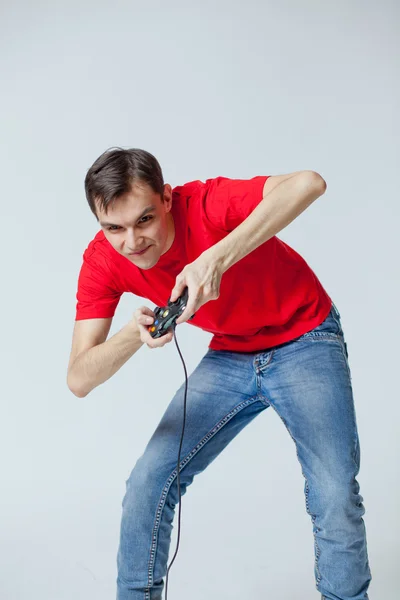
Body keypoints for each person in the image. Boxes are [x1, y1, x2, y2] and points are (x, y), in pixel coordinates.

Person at [67, 147, 372, 600]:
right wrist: (135, 334)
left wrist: (216, 258)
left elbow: (309, 183)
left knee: (333, 493)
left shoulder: (206, 203)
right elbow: (79, 378)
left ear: (167, 199)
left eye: (145, 220)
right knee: (148, 483)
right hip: (232, 352)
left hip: (305, 336)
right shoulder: (102, 261)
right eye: (114, 228)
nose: (132, 242)